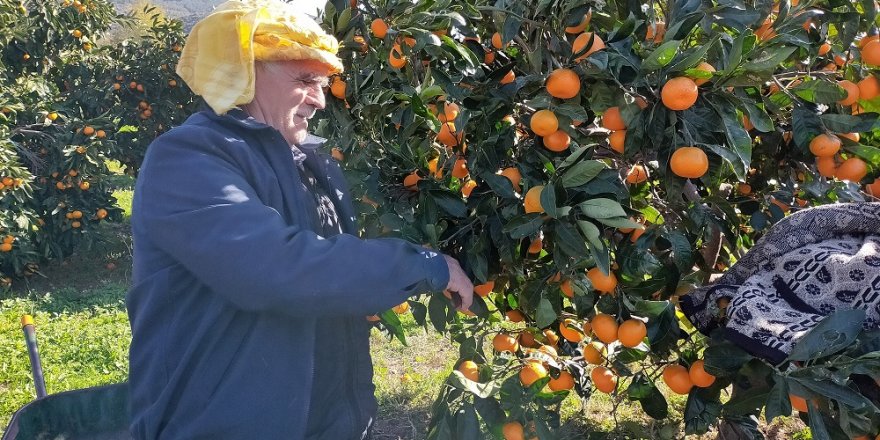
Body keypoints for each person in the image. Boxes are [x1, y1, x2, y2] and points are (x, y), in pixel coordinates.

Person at [125, 1, 474, 439]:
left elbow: (327, 270)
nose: (320, 99)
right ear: (245, 74)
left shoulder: (307, 163)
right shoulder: (188, 159)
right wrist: (422, 265)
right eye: (305, 80)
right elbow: (275, 268)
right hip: (217, 424)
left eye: (323, 82)